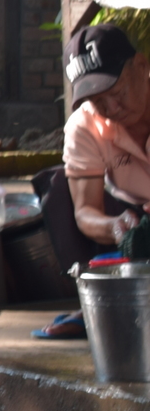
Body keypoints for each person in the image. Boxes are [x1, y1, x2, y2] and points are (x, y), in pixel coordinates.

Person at [62, 23, 150, 246]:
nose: (111, 109)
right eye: (97, 101)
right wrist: (114, 227)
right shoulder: (84, 126)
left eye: (118, 92)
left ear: (142, 66)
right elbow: (85, 211)